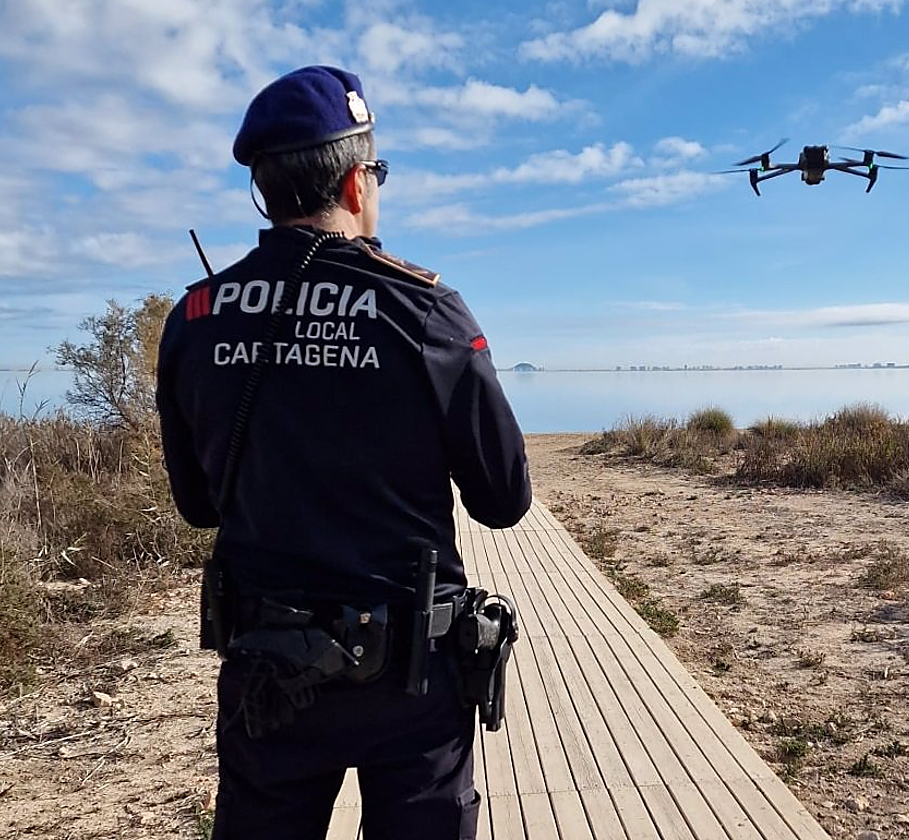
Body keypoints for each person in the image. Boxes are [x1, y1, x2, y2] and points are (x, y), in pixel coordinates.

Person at [155, 65, 532, 840]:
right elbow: (504, 498)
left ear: (265, 190)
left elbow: (198, 507)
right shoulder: (424, 308)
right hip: (411, 683)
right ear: (358, 182)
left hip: (268, 674)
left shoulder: (196, 315)